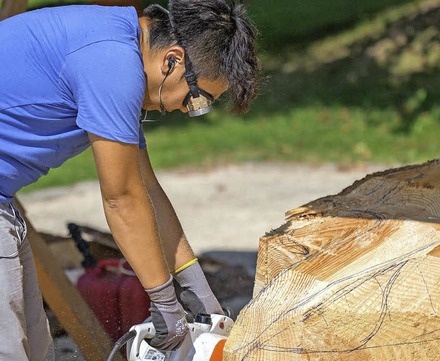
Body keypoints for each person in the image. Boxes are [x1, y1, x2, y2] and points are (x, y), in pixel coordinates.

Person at [0, 0, 259, 358]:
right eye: (196, 100)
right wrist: (165, 304)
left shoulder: (119, 46)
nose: (187, 110)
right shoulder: (113, 65)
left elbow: (145, 189)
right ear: (173, 60)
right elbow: (121, 200)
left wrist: (196, 289)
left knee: (34, 349)